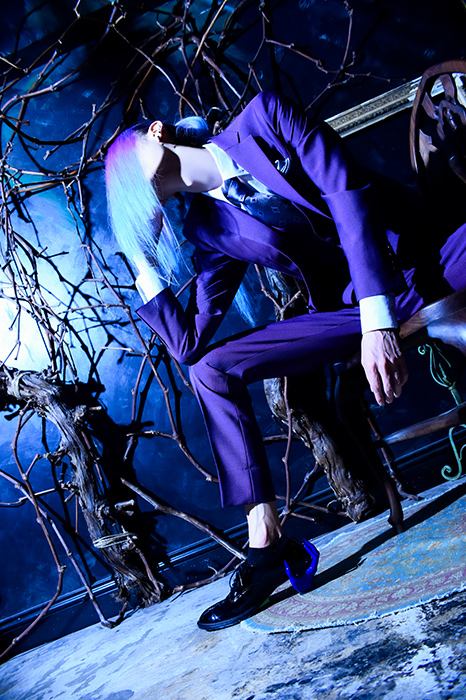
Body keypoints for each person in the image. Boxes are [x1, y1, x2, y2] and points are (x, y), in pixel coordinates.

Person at [105, 90, 466, 630]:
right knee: (210, 368)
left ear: (156, 132)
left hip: (426, 262)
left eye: (124, 166)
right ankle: (267, 543)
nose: (125, 185)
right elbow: (188, 342)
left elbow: (347, 191)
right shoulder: (207, 227)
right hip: (346, 310)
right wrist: (143, 262)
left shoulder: (266, 118)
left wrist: (379, 320)